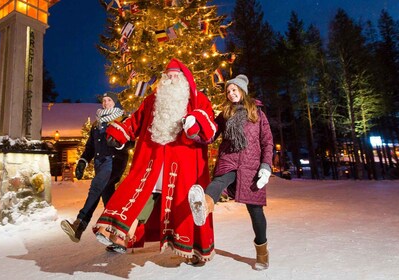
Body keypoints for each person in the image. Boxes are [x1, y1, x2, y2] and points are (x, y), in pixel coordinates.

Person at [93, 58, 217, 264]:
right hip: (153, 159)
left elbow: (210, 128)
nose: (172, 79)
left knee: (183, 205)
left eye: (176, 75)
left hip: (183, 166)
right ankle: (119, 236)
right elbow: (135, 121)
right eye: (168, 76)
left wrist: (196, 124)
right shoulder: (152, 99)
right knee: (140, 195)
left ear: (185, 79)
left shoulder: (197, 100)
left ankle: (194, 250)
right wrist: (121, 133)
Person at [188, 74, 274, 270]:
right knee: (218, 181)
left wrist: (266, 166)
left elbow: (267, 141)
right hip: (229, 158)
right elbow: (210, 135)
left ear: (242, 90)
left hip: (251, 165)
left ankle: (262, 253)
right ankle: (203, 205)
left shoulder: (257, 113)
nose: (231, 93)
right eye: (228, 91)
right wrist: (193, 133)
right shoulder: (225, 113)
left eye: (234, 90)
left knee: (255, 211)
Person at [60, 92, 131, 245]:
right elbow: (90, 147)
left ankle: (79, 224)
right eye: (104, 101)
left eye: (109, 100)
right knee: (107, 196)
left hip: (114, 161)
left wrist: (120, 144)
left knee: (96, 187)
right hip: (100, 163)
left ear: (115, 102)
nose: (106, 103)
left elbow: (131, 140)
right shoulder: (96, 123)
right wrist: (83, 161)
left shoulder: (122, 119)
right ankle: (117, 235)